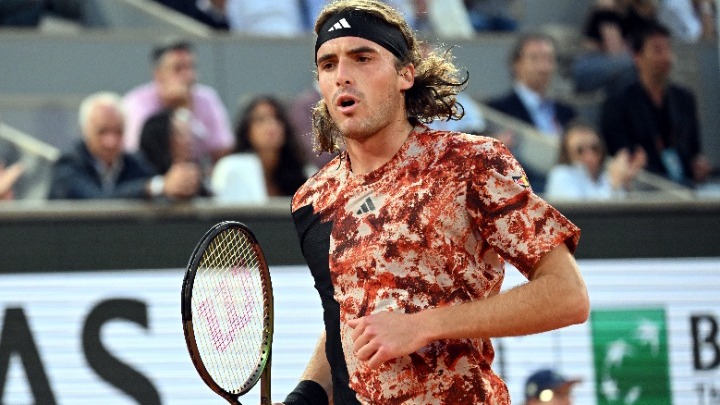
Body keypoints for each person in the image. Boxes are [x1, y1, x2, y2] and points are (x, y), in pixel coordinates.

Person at [282, 1, 590, 404]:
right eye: (328, 64)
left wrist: (423, 325)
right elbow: (346, 319)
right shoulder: (313, 198)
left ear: (405, 74)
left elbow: (568, 295)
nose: (342, 75)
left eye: (362, 58)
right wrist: (304, 395)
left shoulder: (471, 163)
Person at [599, 21, 712, 186]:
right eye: (658, 50)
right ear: (637, 57)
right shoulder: (617, 103)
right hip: (644, 187)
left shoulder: (684, 98)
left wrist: (698, 165)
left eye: (668, 49)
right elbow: (620, 154)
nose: (667, 57)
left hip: (686, 184)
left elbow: (694, 149)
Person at [48, 92, 202, 200]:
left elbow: (161, 189)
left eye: (118, 132)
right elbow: (97, 201)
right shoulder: (68, 164)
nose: (111, 141)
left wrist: (181, 184)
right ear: (84, 131)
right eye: (102, 132)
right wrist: (156, 186)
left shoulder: (133, 162)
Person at [486, 32, 577, 192]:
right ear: (516, 64)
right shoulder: (497, 111)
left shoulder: (568, 113)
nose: (543, 67)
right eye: (535, 59)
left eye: (549, 59)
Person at [122, 38, 234, 164]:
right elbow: (135, 154)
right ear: (158, 74)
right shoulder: (136, 103)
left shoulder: (207, 98)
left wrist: (184, 110)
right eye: (178, 69)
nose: (189, 76)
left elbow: (224, 153)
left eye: (191, 67)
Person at [212, 95, 310, 202]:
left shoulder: (302, 172)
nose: (271, 126)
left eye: (277, 118)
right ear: (247, 130)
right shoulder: (232, 168)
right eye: (260, 120)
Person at [546, 120, 646, 200]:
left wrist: (626, 182)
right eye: (580, 150)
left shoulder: (605, 176)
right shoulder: (560, 175)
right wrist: (613, 184)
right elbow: (584, 214)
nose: (589, 156)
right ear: (567, 153)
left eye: (594, 148)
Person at [139, 107, 212, 196]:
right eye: (180, 134)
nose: (189, 141)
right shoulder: (137, 165)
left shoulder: (195, 175)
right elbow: (125, 189)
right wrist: (161, 185)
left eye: (189, 134)